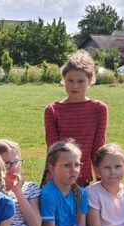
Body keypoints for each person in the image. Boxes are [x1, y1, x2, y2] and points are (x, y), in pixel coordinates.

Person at [44, 50, 107, 186]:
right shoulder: (52, 110)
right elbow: (53, 147)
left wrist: (101, 179)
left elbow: (98, 147)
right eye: (70, 80)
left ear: (90, 81)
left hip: (82, 177)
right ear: (63, 80)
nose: (75, 86)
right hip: (58, 177)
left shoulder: (99, 109)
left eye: (80, 81)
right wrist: (52, 174)